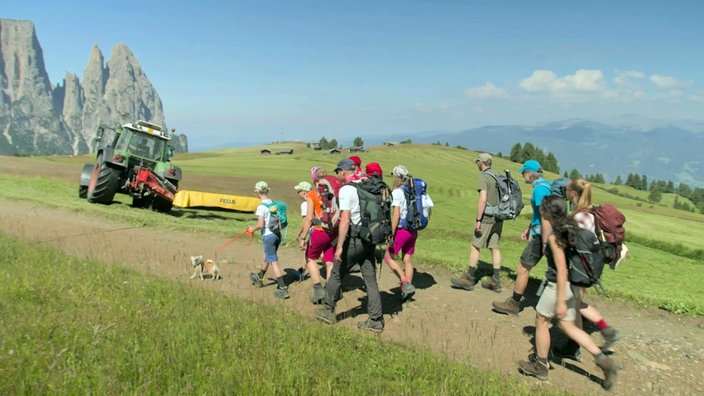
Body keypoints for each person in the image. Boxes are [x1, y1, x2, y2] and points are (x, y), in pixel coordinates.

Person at [517, 195, 621, 390]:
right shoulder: (572, 228)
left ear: (545, 212)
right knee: (568, 327)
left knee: (542, 321)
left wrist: (560, 303)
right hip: (573, 285)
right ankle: (605, 361)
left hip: (558, 285)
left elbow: (562, 269)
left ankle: (540, 364)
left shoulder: (556, 236)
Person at [552, 178, 622, 360]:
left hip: (579, 268)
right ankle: (604, 331)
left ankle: (579, 345)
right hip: (588, 266)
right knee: (576, 303)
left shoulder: (579, 217)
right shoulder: (591, 212)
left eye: (567, 190)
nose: (565, 193)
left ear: (573, 194)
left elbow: (576, 243)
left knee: (572, 305)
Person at [315, 158, 385, 333]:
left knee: (337, 273)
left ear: (344, 171)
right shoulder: (367, 183)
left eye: (338, 171)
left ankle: (328, 311)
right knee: (370, 279)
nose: (338, 174)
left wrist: (339, 247)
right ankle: (376, 320)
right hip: (370, 237)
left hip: (355, 238)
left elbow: (345, 220)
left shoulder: (347, 189)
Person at [493, 160, 552, 315]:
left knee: (522, 268)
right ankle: (578, 311)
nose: (522, 175)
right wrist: (529, 227)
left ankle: (513, 304)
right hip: (547, 232)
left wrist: (545, 241)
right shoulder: (548, 185)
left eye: (523, 172)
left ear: (530, 173)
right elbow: (541, 214)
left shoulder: (539, 190)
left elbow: (545, 216)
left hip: (542, 236)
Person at [451, 153, 503, 292]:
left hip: (486, 217)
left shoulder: (484, 177)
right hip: (499, 217)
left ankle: (469, 278)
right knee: (494, 247)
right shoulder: (497, 175)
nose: (477, 165)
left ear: (481, 162)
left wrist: (478, 220)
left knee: (475, 246)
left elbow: (483, 199)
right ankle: (496, 280)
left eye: (477, 162)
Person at [299, 167, 338, 304]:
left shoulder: (312, 194)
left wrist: (303, 237)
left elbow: (309, 218)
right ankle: (330, 289)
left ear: (313, 179)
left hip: (319, 231)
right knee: (329, 260)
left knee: (310, 257)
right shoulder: (332, 193)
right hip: (333, 232)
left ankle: (318, 289)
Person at [383, 165, 423, 301]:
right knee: (407, 259)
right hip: (413, 230)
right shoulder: (414, 191)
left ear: (396, 177)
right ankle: (407, 290)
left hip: (401, 230)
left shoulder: (397, 192)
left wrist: (391, 233)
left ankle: (405, 283)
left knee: (388, 257)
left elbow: (396, 215)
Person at [247, 181, 289, 299]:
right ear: (267, 191)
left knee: (273, 261)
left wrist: (252, 229)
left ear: (257, 192)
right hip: (277, 234)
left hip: (268, 236)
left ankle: (282, 288)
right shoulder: (272, 203)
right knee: (267, 256)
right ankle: (259, 278)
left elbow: (260, 225)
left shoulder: (261, 207)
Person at [293, 181, 313, 279]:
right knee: (308, 251)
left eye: (299, 191)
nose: (298, 193)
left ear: (304, 192)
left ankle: (304, 273)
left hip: (314, 231)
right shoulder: (316, 199)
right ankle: (303, 270)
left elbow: (306, 220)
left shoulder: (305, 204)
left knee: (310, 252)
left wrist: (301, 235)